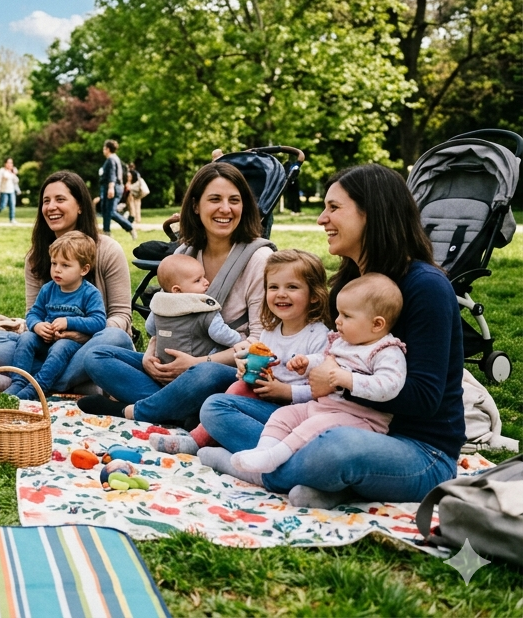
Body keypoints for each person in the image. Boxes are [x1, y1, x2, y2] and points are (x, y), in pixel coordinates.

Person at [200, 165, 464, 508]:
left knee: (336, 448)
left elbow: (425, 398)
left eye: (334, 207)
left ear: (372, 213)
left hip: (416, 449)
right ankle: (327, 483)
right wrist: (271, 365)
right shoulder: (350, 284)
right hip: (329, 417)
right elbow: (321, 356)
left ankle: (258, 471)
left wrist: (338, 383)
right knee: (218, 408)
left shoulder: (426, 287)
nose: (322, 219)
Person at [78, 162, 273, 425]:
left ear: (244, 206)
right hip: (172, 365)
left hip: (222, 370)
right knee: (97, 356)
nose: (225, 209)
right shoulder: (184, 254)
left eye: (234, 200)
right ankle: (181, 410)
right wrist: (150, 356)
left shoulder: (259, 259)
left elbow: (260, 343)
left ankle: (138, 410)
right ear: (195, 206)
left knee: (205, 375)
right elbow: (163, 318)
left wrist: (197, 362)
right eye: (214, 199)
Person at [152, 249, 331, 455]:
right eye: (273, 287)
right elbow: (263, 361)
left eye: (292, 287)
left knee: (215, 407)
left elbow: (325, 393)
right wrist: (246, 366)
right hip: (265, 402)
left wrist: (286, 392)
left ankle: (224, 444)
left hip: (295, 413)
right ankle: (199, 440)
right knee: (231, 392)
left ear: (314, 296)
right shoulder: (270, 331)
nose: (281, 293)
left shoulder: (319, 336)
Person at [225, 273, 406, 476]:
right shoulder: (343, 342)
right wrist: (308, 362)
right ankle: (262, 452)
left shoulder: (386, 351)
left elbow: (390, 386)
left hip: (361, 419)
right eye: (339, 314)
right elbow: (325, 360)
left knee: (313, 426)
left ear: (377, 324)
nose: (337, 321)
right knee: (283, 415)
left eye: (346, 316)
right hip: (322, 407)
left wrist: (346, 379)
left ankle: (275, 457)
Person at [0, 172, 135, 392]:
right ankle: (79, 382)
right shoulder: (37, 257)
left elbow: (121, 316)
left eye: (60, 199)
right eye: (46, 201)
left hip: (94, 342)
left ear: (80, 206)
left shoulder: (108, 250)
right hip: (49, 344)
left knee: (115, 337)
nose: (51, 206)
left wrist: (82, 333)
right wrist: (42, 328)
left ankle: (41, 382)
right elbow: (32, 314)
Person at [5, 231, 106, 401]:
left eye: (65, 265)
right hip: (45, 340)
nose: (57, 269)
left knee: (60, 347)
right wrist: (37, 326)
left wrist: (69, 322)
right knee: (26, 338)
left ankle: (37, 388)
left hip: (71, 345)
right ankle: (19, 381)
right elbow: (34, 313)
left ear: (84, 269)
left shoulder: (89, 293)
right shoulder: (48, 289)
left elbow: (98, 322)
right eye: (54, 263)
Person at [98, 141, 135, 239]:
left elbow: (112, 175)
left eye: (104, 148)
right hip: (114, 187)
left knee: (111, 212)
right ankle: (106, 233)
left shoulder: (111, 159)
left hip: (112, 188)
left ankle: (129, 227)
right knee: (106, 211)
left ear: (107, 149)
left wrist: (111, 188)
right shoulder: (116, 159)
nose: (103, 150)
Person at [0, 158, 20, 222]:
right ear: (5, 163)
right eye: (9, 163)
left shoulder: (12, 171)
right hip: (4, 191)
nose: (10, 164)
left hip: (11, 191)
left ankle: (12, 219)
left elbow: (16, 181)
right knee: (2, 206)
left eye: (11, 163)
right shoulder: (1, 171)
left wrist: (14, 174)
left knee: (12, 205)